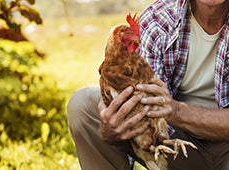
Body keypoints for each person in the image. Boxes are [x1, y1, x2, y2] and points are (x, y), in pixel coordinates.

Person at [67, 0, 229, 169]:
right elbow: (149, 117)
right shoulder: (157, 21)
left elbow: (166, 110)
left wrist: (176, 111)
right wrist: (116, 129)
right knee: (83, 105)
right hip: (177, 146)